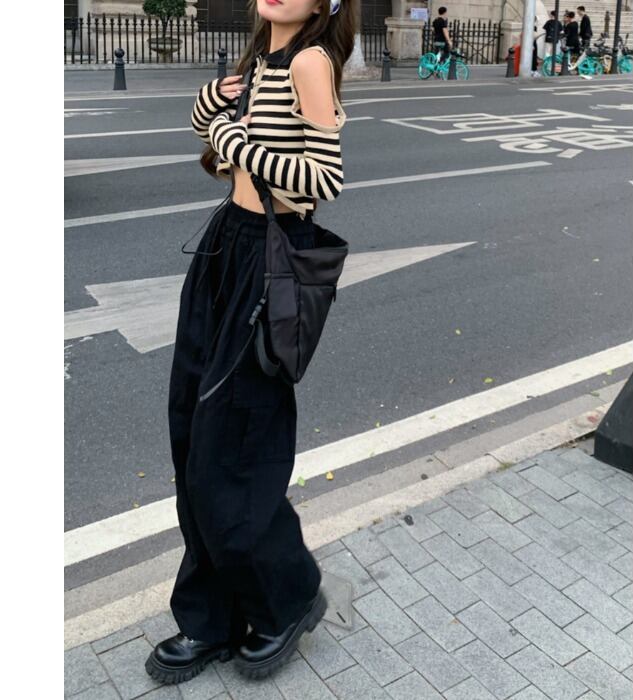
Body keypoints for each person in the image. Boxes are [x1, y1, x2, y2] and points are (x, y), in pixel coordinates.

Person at [144, 0, 354, 685]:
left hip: (270, 259)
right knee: (192, 433)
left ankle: (286, 597)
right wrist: (213, 106)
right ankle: (211, 618)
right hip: (227, 246)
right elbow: (212, 139)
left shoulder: (310, 62)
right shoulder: (260, 58)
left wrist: (234, 141)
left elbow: (325, 179)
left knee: (231, 449)